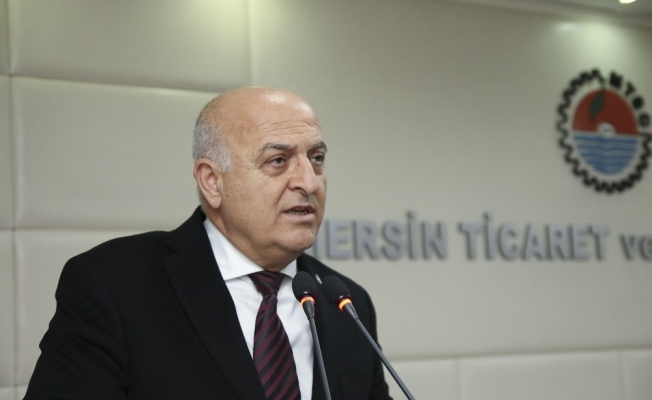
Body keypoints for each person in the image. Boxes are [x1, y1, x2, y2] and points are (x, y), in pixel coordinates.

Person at [24, 87, 392, 400]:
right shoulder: (114, 286)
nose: (309, 183)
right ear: (212, 182)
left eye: (317, 159)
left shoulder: (347, 305)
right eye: (278, 160)